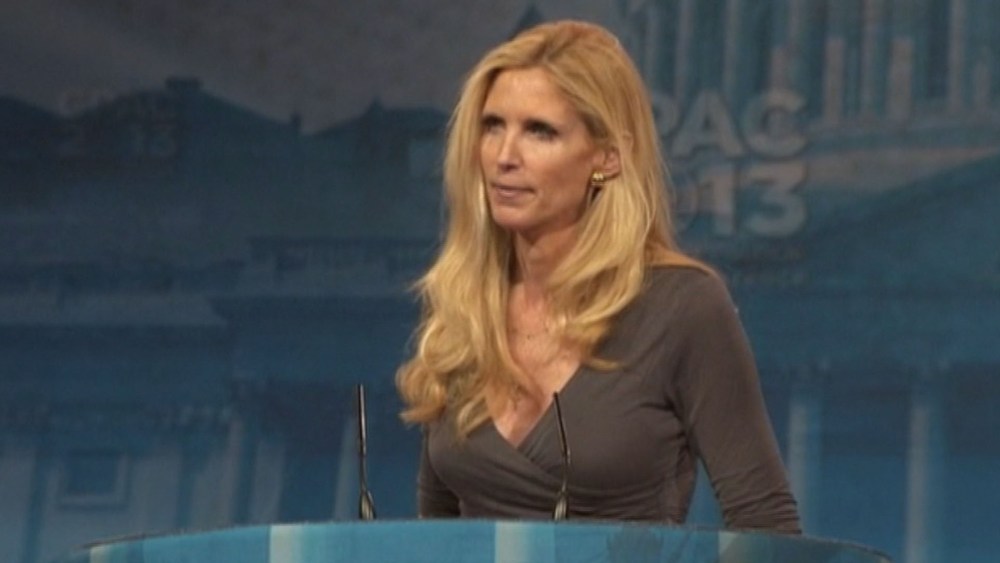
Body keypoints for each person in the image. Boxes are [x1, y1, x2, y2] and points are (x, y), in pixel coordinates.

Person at [395, 20, 800, 532]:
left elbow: (763, 519)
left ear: (607, 156)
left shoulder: (683, 306)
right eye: (493, 126)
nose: (504, 156)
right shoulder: (464, 303)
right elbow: (436, 527)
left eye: (540, 131)